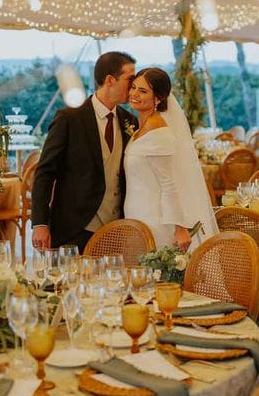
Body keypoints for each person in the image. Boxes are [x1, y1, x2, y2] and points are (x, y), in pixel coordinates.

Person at [31, 51, 136, 251]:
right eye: (130, 78)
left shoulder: (129, 121)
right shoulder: (69, 118)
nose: (134, 86)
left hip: (115, 229)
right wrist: (40, 224)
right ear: (110, 80)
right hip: (74, 227)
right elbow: (45, 173)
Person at [123, 66, 218, 250]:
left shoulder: (158, 130)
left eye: (142, 91)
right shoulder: (142, 127)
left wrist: (179, 227)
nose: (134, 93)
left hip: (155, 219)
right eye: (133, 87)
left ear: (158, 98)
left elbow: (169, 184)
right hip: (136, 214)